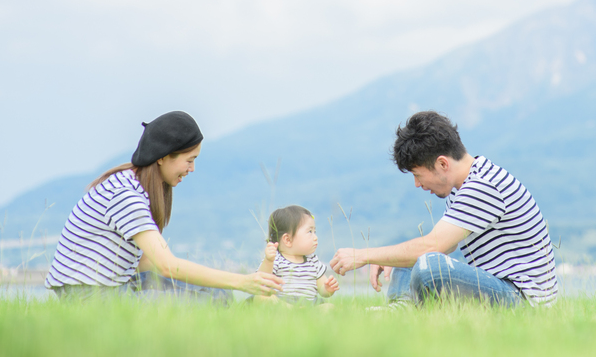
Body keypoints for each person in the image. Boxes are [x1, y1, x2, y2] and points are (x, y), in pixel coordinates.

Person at [44, 111, 284, 300]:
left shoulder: (134, 184)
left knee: (217, 295)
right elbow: (167, 266)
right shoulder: (126, 195)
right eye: (189, 160)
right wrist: (241, 281)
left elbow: (146, 262)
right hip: (91, 296)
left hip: (111, 287)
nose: (192, 169)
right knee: (212, 301)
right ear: (162, 156)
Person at [329, 111, 558, 307]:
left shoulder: (482, 186)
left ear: (442, 164)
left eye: (418, 175)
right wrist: (389, 257)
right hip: (502, 288)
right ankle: (400, 311)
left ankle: (404, 311)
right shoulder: (464, 185)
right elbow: (441, 247)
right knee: (413, 258)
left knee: (428, 264)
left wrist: (365, 255)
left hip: (523, 300)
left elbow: (433, 247)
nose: (418, 184)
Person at [254, 205, 339, 304]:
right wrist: (268, 261)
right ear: (288, 240)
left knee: (328, 307)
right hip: (282, 302)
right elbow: (261, 280)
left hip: (309, 304)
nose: (315, 237)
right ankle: (289, 310)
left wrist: (327, 289)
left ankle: (303, 312)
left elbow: (322, 289)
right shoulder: (276, 259)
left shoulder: (313, 261)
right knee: (263, 298)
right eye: (310, 232)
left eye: (315, 232)